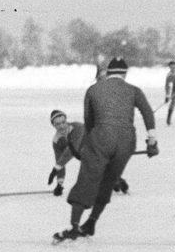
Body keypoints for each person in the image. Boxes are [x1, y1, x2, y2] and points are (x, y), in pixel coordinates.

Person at [54, 58, 158, 242]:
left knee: (87, 180)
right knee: (108, 183)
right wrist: (151, 142)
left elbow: (89, 121)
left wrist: (91, 144)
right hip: (127, 142)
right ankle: (91, 223)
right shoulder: (134, 90)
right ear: (125, 73)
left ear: (107, 72)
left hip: (101, 138)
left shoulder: (93, 90)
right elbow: (148, 113)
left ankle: (74, 227)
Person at [48, 110, 129, 197]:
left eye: (63, 122)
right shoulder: (57, 142)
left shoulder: (77, 127)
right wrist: (59, 184)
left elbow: (71, 151)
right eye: (57, 124)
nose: (62, 126)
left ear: (66, 121)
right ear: (53, 125)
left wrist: (56, 169)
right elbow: (60, 161)